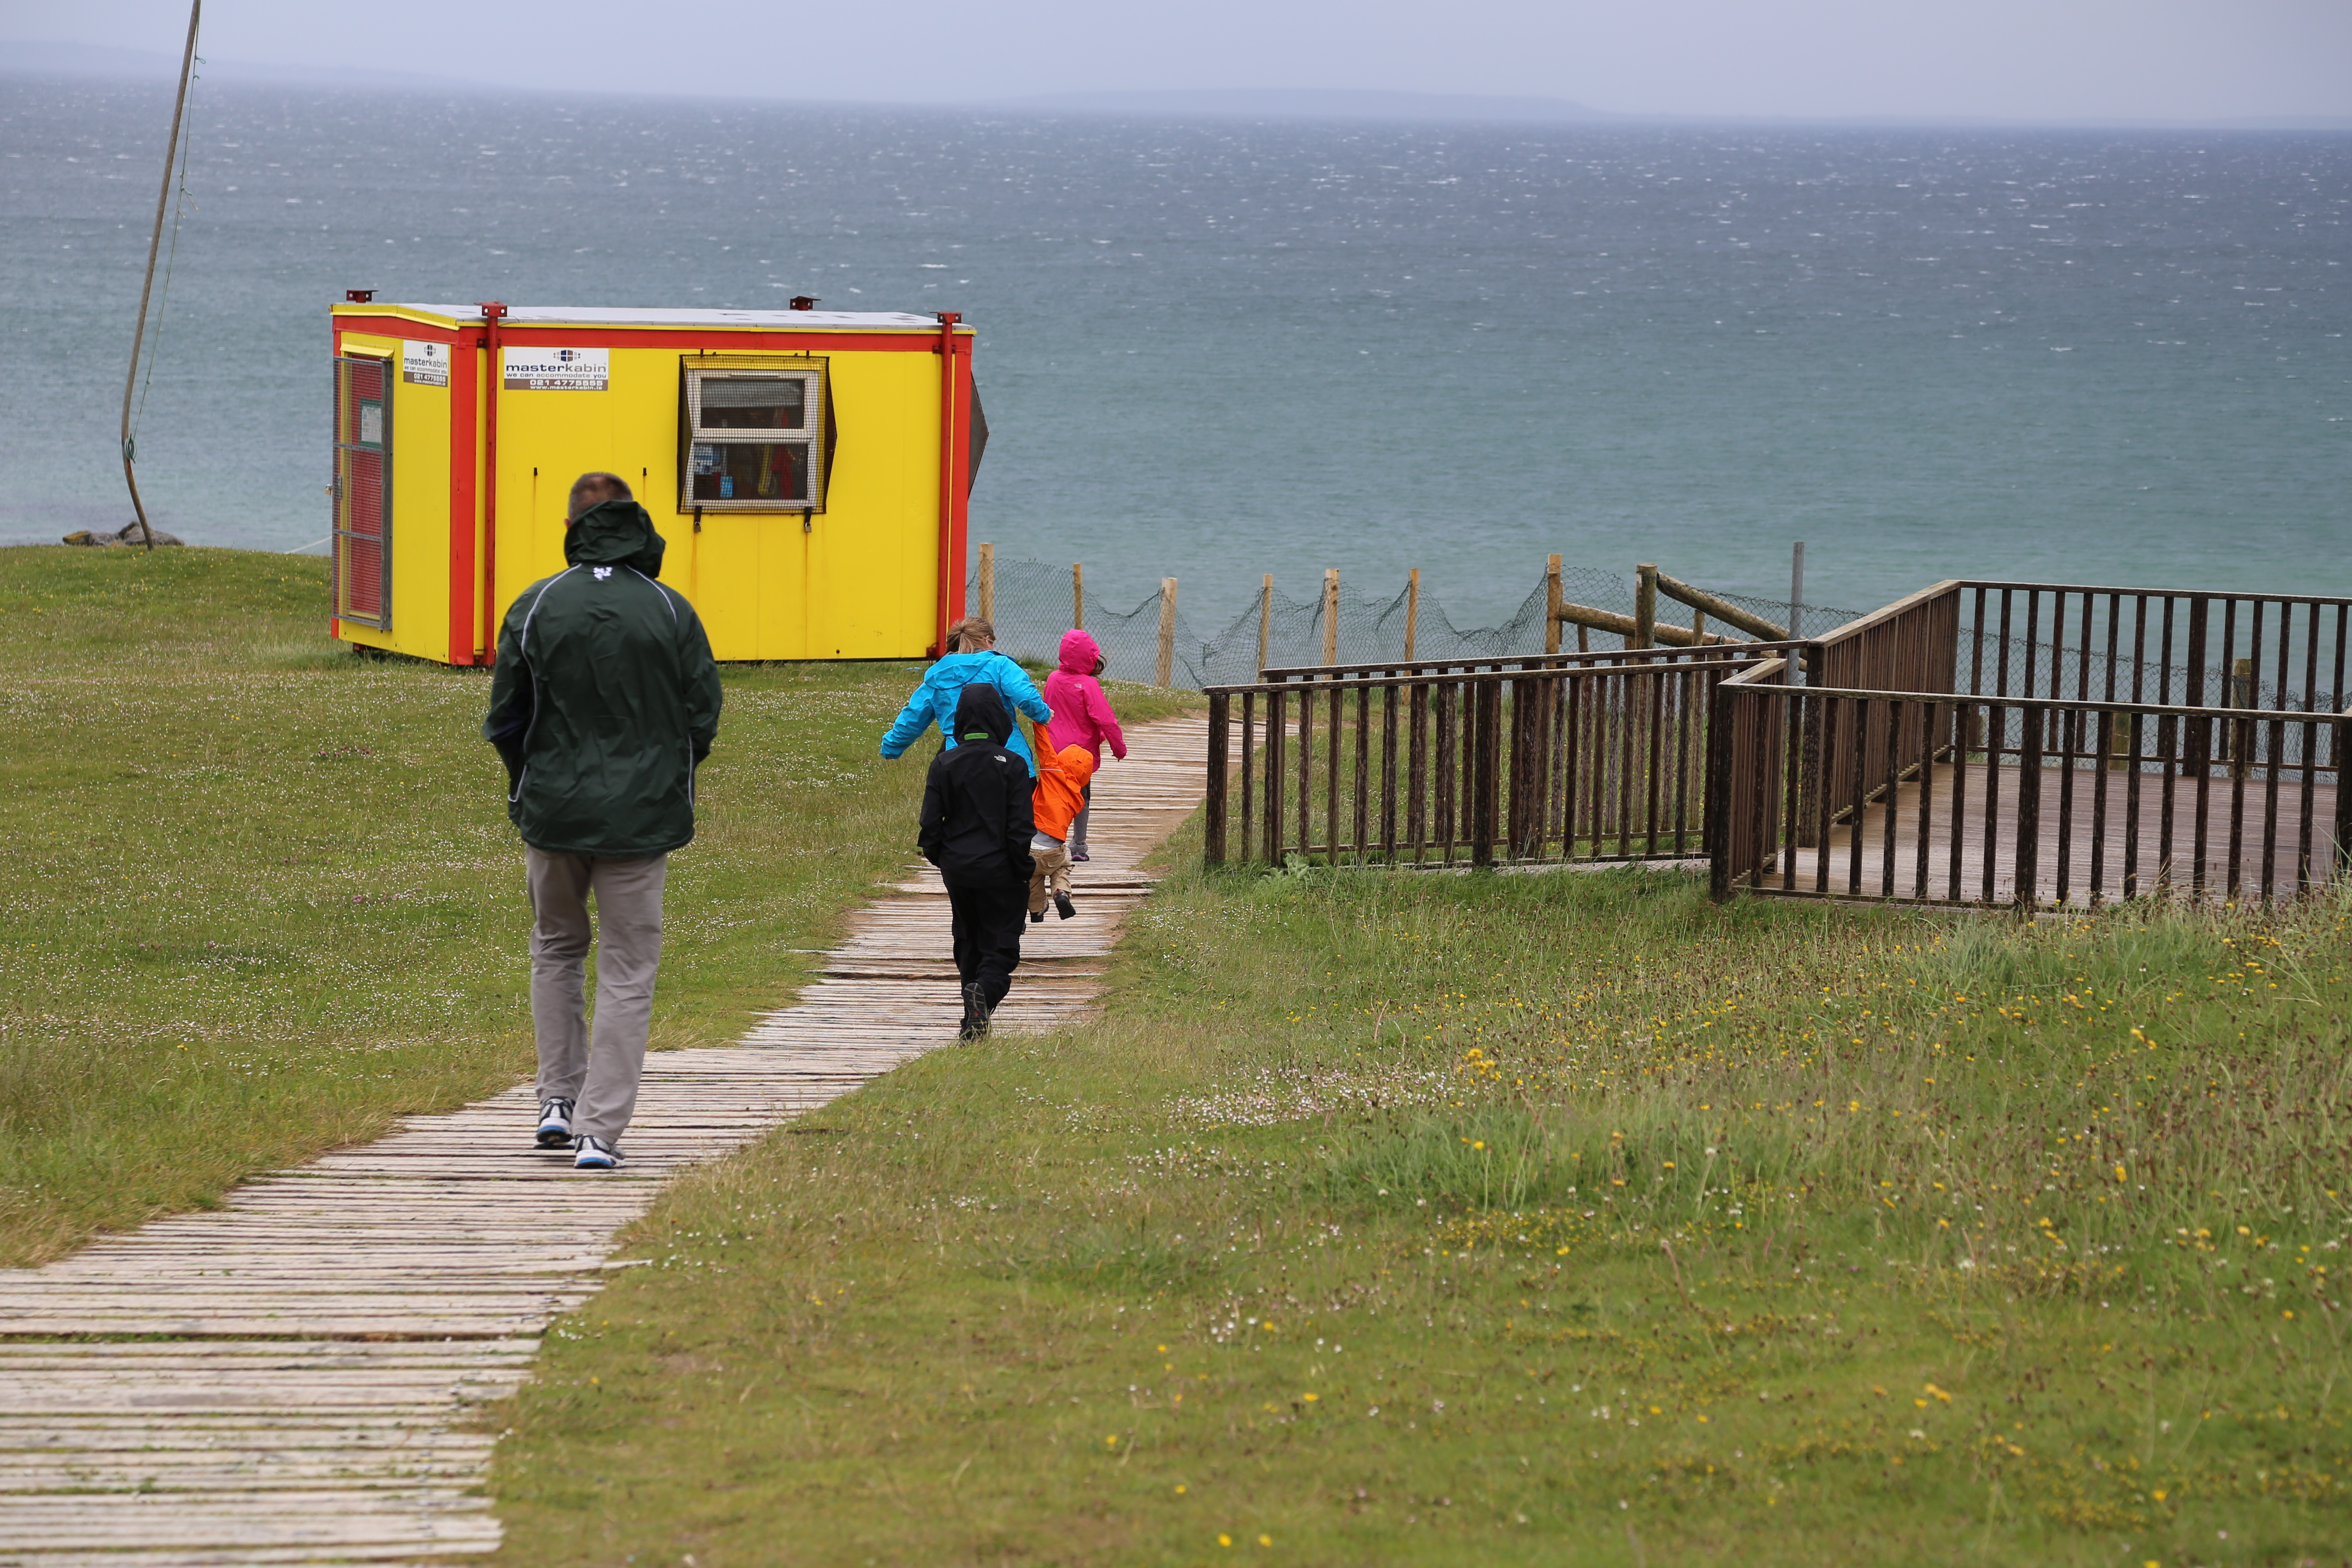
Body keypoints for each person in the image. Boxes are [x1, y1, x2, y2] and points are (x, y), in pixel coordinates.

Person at [483, 472, 721, 1171]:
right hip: (641, 819)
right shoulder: (670, 610)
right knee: (627, 966)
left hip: (554, 810)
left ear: (571, 524)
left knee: (556, 948)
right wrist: (666, 777)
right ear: (637, 524)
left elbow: (506, 716)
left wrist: (528, 784)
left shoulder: (537, 604)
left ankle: (557, 1098)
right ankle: (600, 1129)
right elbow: (701, 713)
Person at [918, 684, 1035, 1038]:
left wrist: (942, 858)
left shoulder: (944, 763)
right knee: (1001, 944)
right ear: (1001, 719)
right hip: (1002, 870)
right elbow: (1020, 827)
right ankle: (984, 993)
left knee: (967, 940)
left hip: (957, 869)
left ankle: (973, 1021)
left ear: (961, 720)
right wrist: (1022, 868)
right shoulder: (1013, 765)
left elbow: (929, 823)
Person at [881, 616, 1053, 776]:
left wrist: (892, 747)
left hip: (958, 762)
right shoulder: (1001, 665)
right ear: (987, 640)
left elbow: (913, 717)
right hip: (1009, 757)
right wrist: (1042, 715)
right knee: (1021, 807)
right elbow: (1026, 696)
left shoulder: (937, 676)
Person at [1042, 629, 1126, 861]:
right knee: (1082, 799)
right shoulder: (1088, 684)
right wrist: (1119, 748)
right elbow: (1106, 719)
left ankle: (1049, 840)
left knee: (1054, 797)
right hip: (1080, 756)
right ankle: (1079, 847)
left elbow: (1047, 713)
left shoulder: (1052, 679)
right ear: (1090, 657)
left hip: (1054, 752)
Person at [1024, 720, 1096, 923]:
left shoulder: (1051, 772)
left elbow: (1043, 746)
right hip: (1053, 850)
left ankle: (1037, 910)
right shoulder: (1078, 799)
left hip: (1029, 846)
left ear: (1062, 760)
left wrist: (1040, 723)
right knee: (1062, 866)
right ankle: (1061, 893)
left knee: (1033, 876)